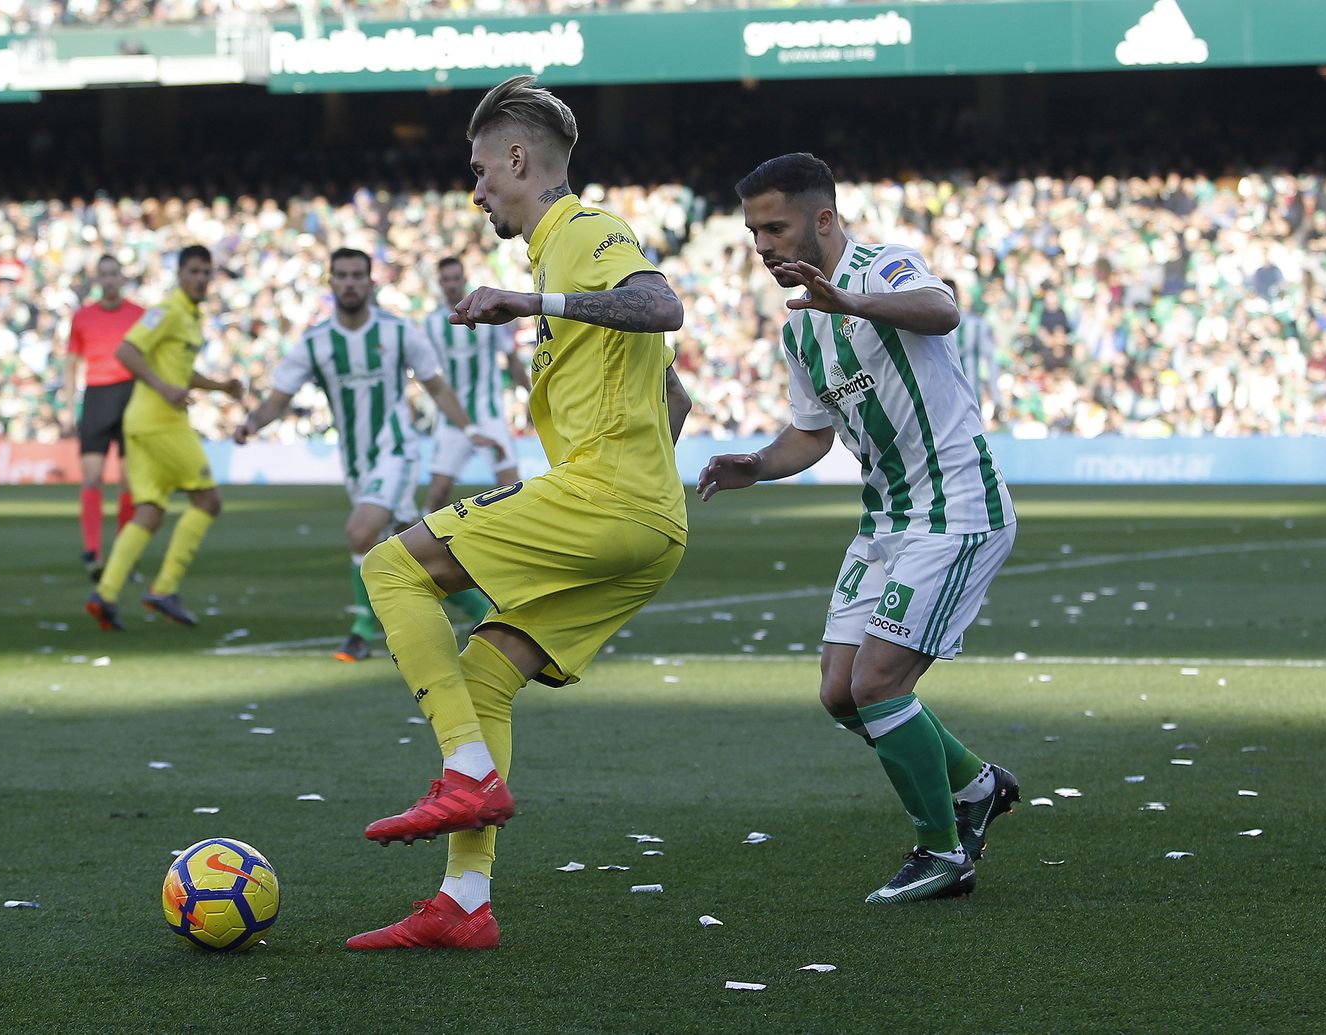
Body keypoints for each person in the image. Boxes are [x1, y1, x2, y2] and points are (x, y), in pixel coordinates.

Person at [345, 75, 691, 950]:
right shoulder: (558, 252)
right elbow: (672, 396)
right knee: (487, 674)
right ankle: (465, 900)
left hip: (605, 496)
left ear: (517, 157)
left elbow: (664, 307)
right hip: (649, 522)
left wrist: (530, 302)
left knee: (390, 565)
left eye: (480, 169)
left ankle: (465, 771)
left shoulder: (581, 231)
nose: (476, 190)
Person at [699, 153, 1019, 904]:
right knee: (841, 693)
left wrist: (848, 301)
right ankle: (976, 785)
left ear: (824, 219)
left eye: (774, 227)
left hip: (957, 507)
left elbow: (943, 310)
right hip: (887, 519)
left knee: (878, 680)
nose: (764, 246)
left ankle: (942, 853)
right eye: (753, 232)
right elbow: (810, 434)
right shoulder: (801, 329)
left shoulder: (885, 268)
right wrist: (756, 462)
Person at [234, 247, 497, 661]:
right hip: (356, 462)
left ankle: (360, 630)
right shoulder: (316, 342)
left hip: (396, 450)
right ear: (331, 282)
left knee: (361, 531)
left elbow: (438, 388)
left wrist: (470, 429)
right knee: (415, 550)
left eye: (359, 275)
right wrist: (251, 424)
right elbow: (278, 400)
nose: (351, 282)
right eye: (343, 275)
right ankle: (485, 611)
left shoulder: (398, 331)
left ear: (371, 282)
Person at [84, 245, 243, 631]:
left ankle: (104, 594)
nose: (201, 278)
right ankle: (165, 588)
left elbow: (178, 372)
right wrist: (162, 387)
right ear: (179, 274)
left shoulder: (189, 316)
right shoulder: (167, 311)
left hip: (142, 423)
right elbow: (127, 350)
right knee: (207, 500)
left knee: (150, 513)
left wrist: (220, 387)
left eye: (207, 272)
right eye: (194, 271)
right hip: (160, 422)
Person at [422, 255, 530, 514]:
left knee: (510, 486)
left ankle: (514, 545)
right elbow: (428, 374)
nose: (451, 284)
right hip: (452, 421)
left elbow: (512, 359)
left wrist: (531, 396)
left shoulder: (488, 318)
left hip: (489, 414)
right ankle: (418, 549)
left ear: (464, 280)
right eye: (446, 279)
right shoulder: (432, 324)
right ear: (440, 282)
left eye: (455, 278)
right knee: (438, 494)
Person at [65, 254, 144, 580]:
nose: (110, 280)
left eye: (115, 274)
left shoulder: (140, 315)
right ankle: (92, 551)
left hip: (131, 394)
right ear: (97, 280)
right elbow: (71, 364)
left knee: (128, 481)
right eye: (104, 275)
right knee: (92, 477)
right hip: (97, 395)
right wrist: (71, 408)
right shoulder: (82, 317)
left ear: (122, 278)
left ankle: (123, 551)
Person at [943, 277, 1001, 417]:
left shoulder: (978, 325)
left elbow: (991, 360)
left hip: (964, 394)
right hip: (952, 392)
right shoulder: (977, 324)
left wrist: (996, 396)